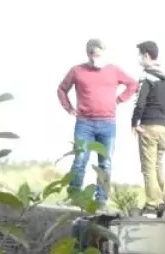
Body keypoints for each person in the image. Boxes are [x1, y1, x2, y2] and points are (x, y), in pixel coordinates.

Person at [58, 39, 138, 208]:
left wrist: (119, 99)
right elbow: (62, 89)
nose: (98, 58)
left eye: (101, 54)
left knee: (105, 163)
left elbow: (132, 84)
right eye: (95, 55)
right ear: (89, 54)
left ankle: (101, 199)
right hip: (84, 123)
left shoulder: (113, 70)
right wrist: (69, 108)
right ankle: (74, 197)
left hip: (108, 124)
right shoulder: (77, 70)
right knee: (80, 160)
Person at [131, 40, 165, 213]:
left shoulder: (147, 77)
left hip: (148, 126)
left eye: (140, 55)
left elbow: (140, 103)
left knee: (148, 167)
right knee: (159, 163)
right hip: (164, 127)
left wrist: (134, 123)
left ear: (146, 56)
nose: (138, 59)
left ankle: (152, 203)